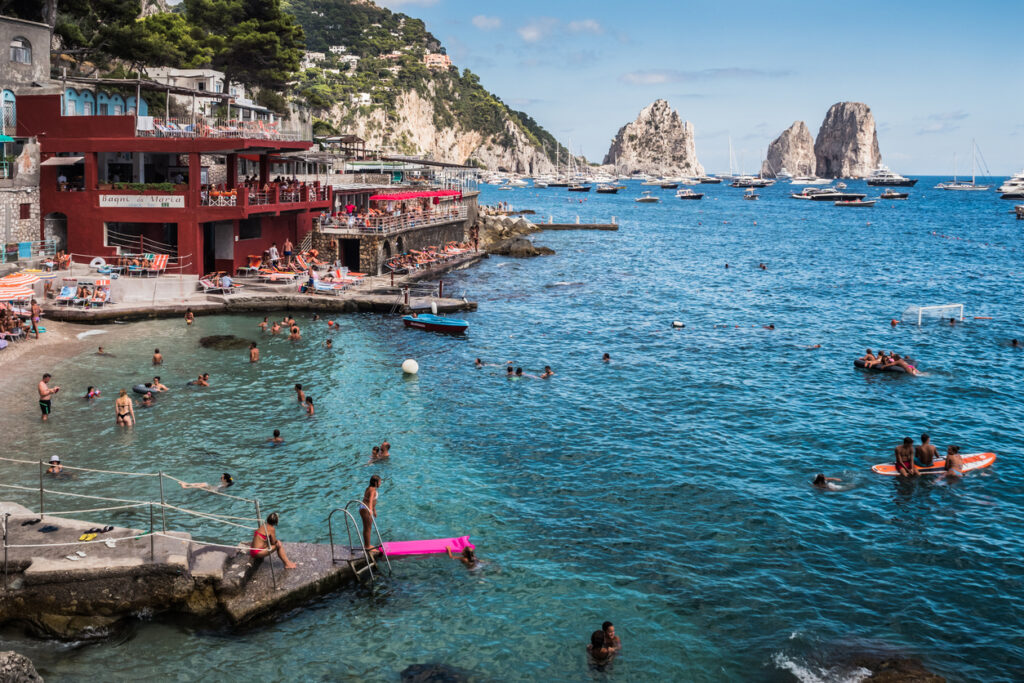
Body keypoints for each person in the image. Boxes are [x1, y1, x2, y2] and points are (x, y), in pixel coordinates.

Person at [360, 475, 381, 550]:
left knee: (366, 528)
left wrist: (374, 510)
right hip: (366, 509)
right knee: (368, 528)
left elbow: (371, 500)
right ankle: (367, 546)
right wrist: (371, 510)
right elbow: (371, 500)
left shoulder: (369, 488)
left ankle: (367, 545)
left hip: (363, 507)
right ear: (375, 483)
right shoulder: (373, 490)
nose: (380, 484)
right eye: (379, 482)